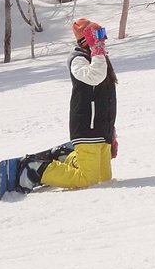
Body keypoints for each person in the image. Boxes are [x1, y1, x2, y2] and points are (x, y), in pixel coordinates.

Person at [11, 18, 119, 193]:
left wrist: (110, 132)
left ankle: (68, 158)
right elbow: (95, 77)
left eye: (103, 33)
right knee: (86, 180)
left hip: (101, 131)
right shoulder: (78, 60)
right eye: (98, 35)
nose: (103, 39)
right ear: (87, 38)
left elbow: (107, 100)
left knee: (103, 180)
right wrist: (97, 51)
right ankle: (35, 168)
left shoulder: (98, 58)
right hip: (87, 128)